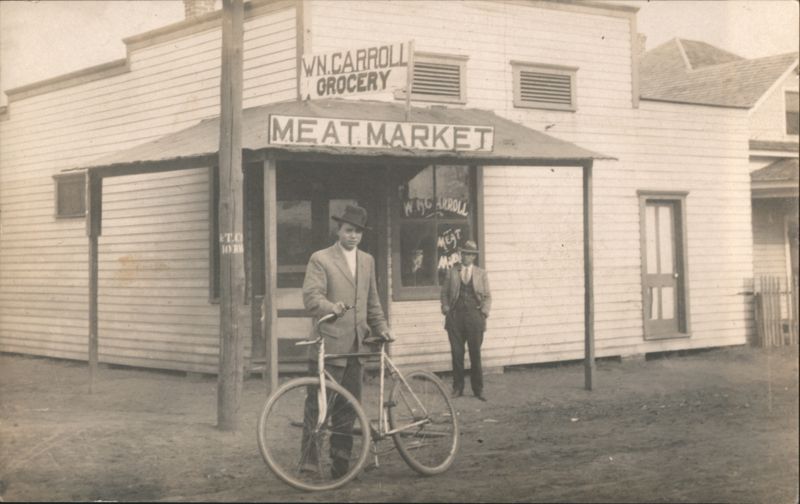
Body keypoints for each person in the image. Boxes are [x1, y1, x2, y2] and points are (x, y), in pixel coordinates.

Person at [300, 204, 391, 478]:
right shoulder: (321, 259)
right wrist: (331, 307)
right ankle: (309, 460)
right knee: (318, 404)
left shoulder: (367, 260)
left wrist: (382, 327)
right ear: (338, 230)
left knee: (348, 406)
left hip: (356, 346)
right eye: (349, 230)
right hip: (328, 344)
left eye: (358, 232)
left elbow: (372, 301)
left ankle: (341, 462)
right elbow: (311, 297)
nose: (353, 236)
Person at [440, 240, 491, 401]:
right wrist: (446, 307)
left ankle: (478, 389)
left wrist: (483, 312)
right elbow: (444, 293)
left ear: (474, 257)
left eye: (470, 254)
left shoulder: (481, 274)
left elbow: (488, 297)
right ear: (461, 255)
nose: (467, 257)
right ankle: (458, 388)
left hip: (474, 318)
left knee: (475, 354)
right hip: (455, 317)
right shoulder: (452, 271)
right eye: (464, 254)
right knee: (457, 354)